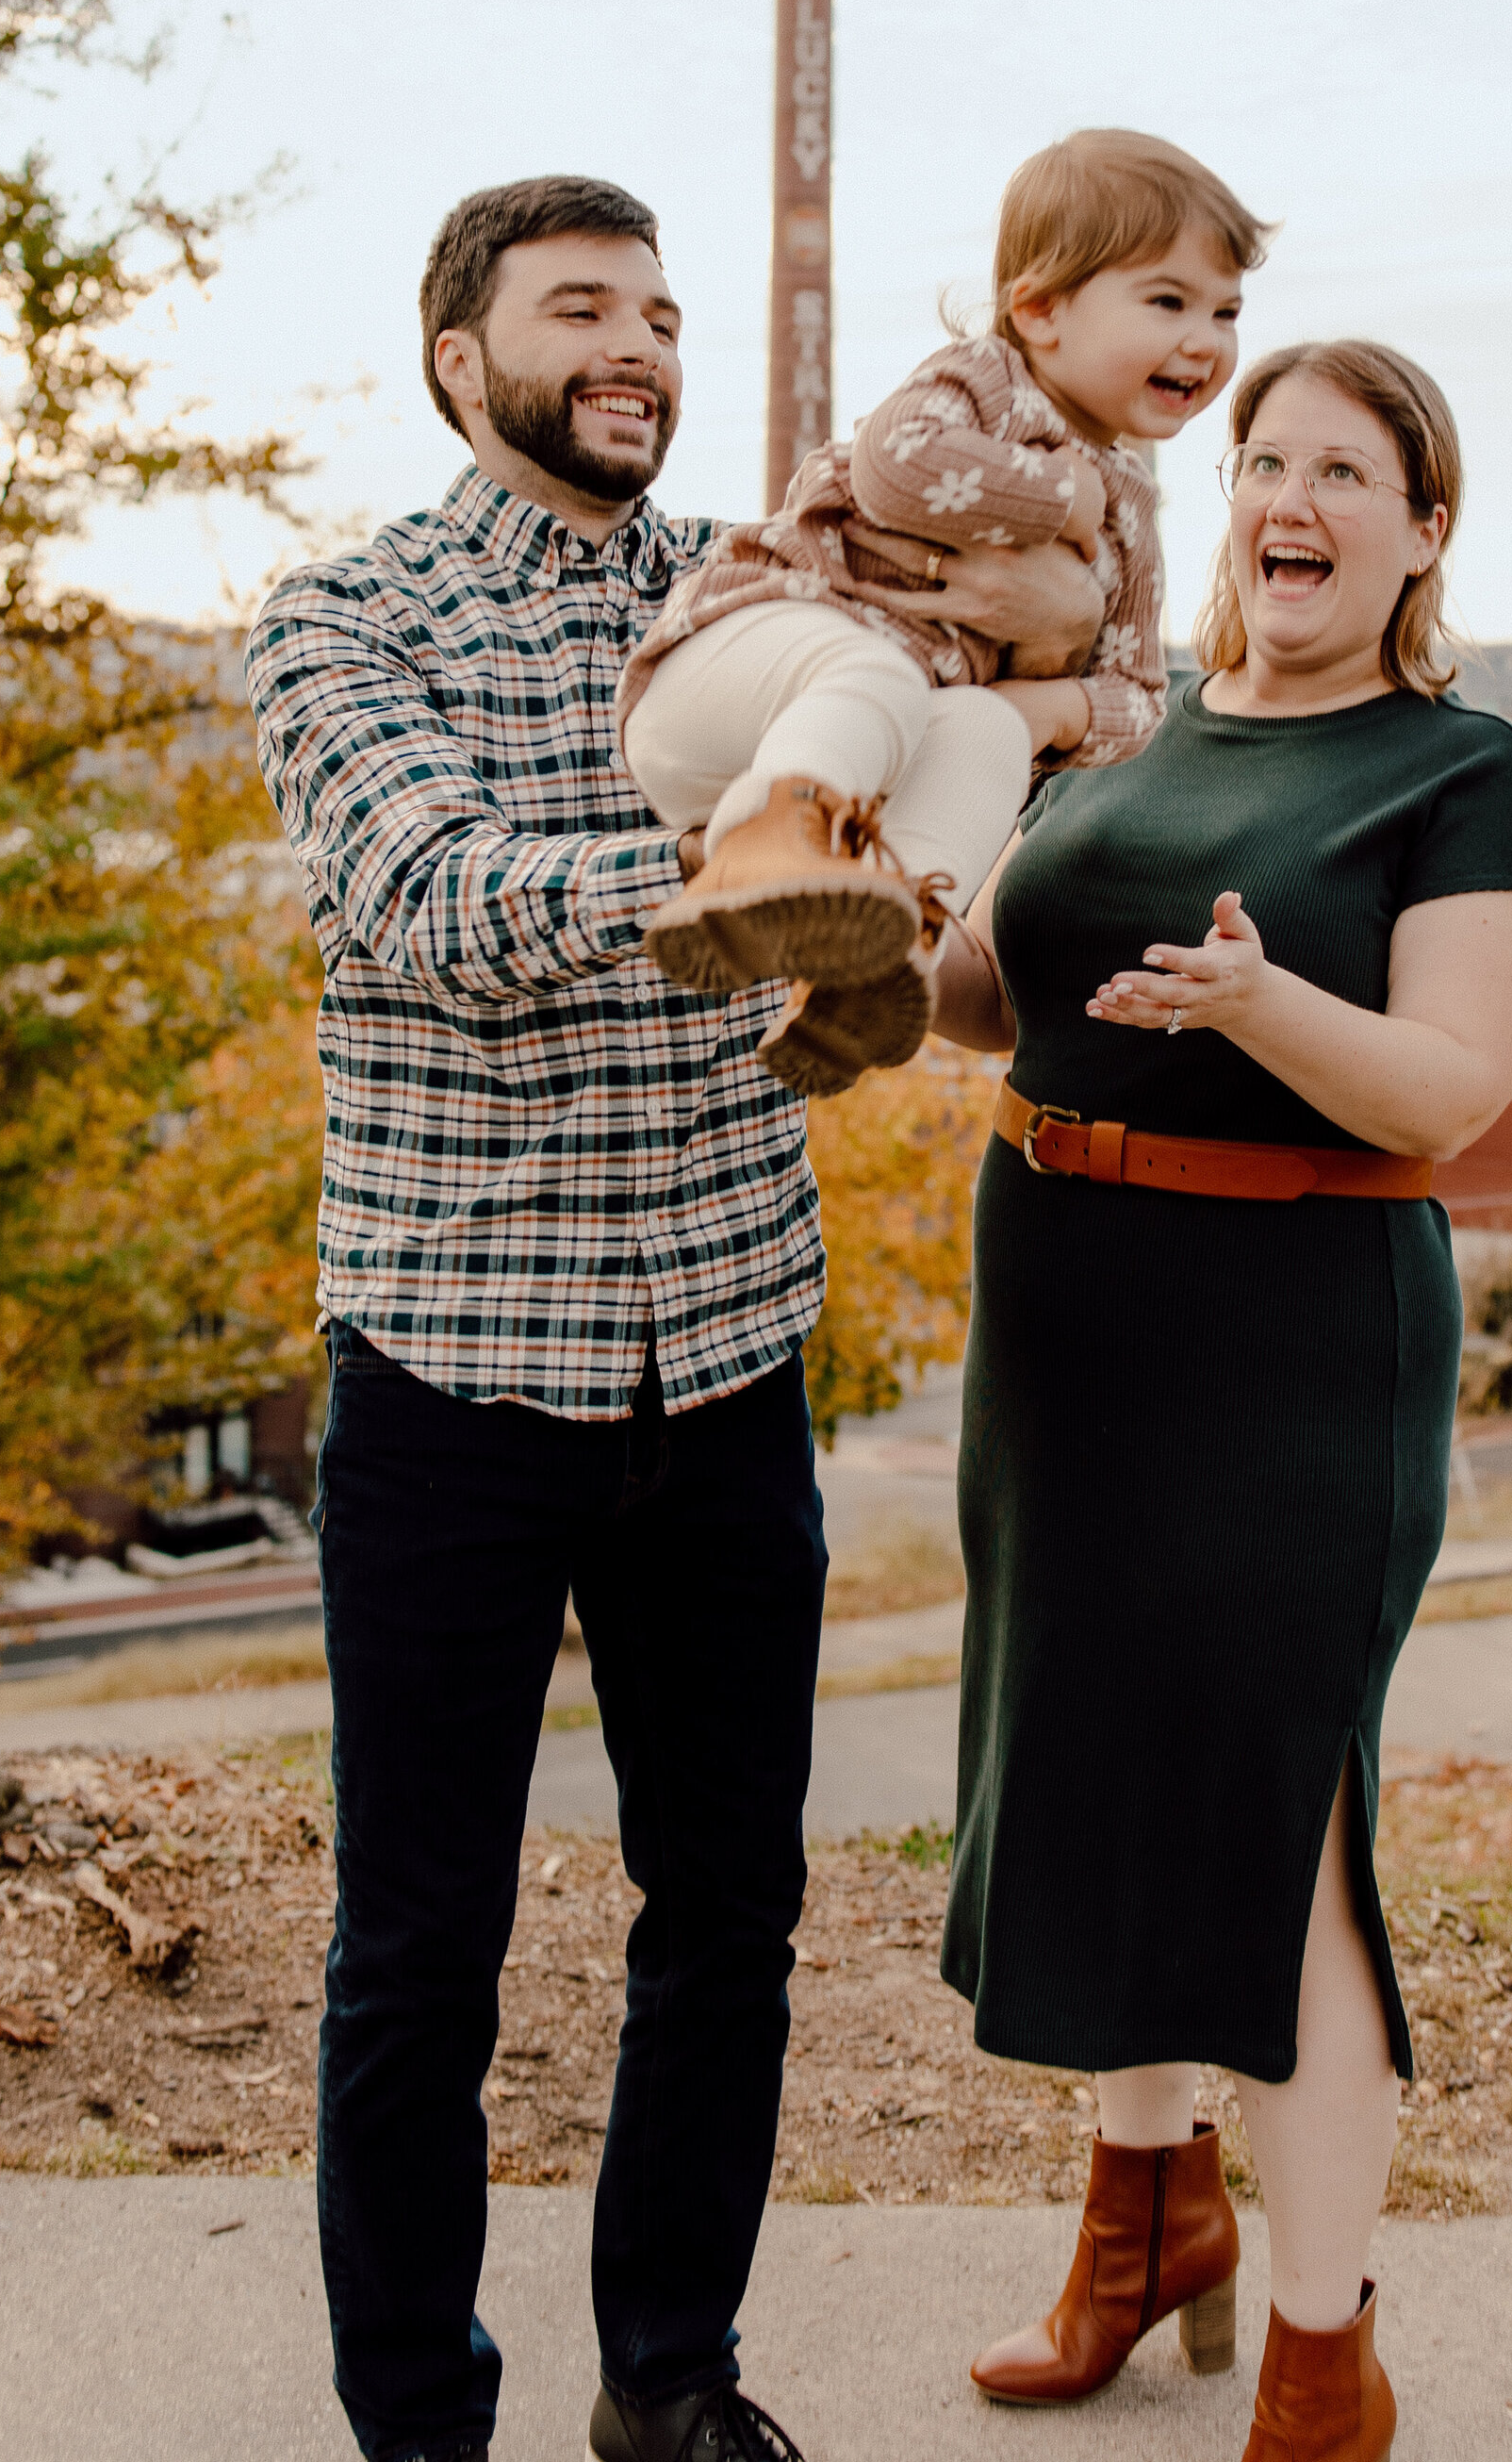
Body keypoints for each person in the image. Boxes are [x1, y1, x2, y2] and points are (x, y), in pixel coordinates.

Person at [245, 174, 1106, 2462]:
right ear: (462, 355)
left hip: (728, 1360)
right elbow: (427, 901)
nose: (635, 343)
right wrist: (765, 855)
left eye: (657, 309)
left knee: (725, 1914)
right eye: (578, 309)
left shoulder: (762, 597)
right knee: (416, 1953)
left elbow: (1002, 700)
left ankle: (668, 2383)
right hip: (448, 1377)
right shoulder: (345, 620)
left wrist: (982, 786)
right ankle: (421, 2425)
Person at [928, 338, 1512, 2462]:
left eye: (1343, 471)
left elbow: (1452, 1098)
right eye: (1260, 461)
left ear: (1421, 529)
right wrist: (857, 931)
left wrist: (1260, 995)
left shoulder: (1471, 772)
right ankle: (1140, 2241)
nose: (1287, 498)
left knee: (1281, 1834)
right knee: (1097, 1784)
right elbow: (991, 995)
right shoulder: (1134, 731)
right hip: (1063, 1326)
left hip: (1294, 1344)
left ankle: (1324, 2359)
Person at [618, 131, 1267, 1096]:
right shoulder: (983, 383)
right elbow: (895, 463)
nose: (1205, 339)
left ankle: (888, 953)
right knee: (877, 667)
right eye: (1168, 300)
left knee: (986, 733)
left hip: (860, 763)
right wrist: (1060, 500)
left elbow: (1134, 694)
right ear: (1040, 309)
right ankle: (767, 845)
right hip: (725, 687)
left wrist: (1043, 711)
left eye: (1225, 311)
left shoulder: (1133, 503)